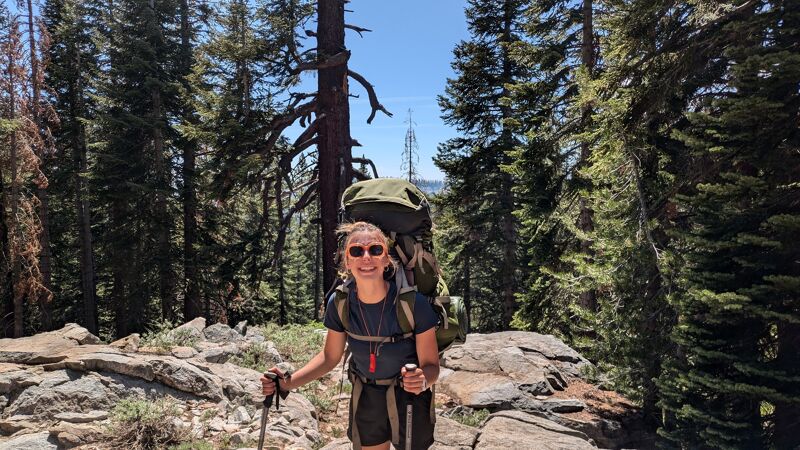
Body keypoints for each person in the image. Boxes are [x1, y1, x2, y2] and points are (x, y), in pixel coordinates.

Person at [260, 221, 440, 450]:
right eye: (356, 251)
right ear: (347, 261)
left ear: (386, 259)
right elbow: (329, 358)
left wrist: (422, 380)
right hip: (367, 393)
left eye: (375, 250)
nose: (366, 257)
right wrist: (286, 383)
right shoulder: (340, 304)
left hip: (410, 396)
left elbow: (431, 367)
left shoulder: (413, 305)